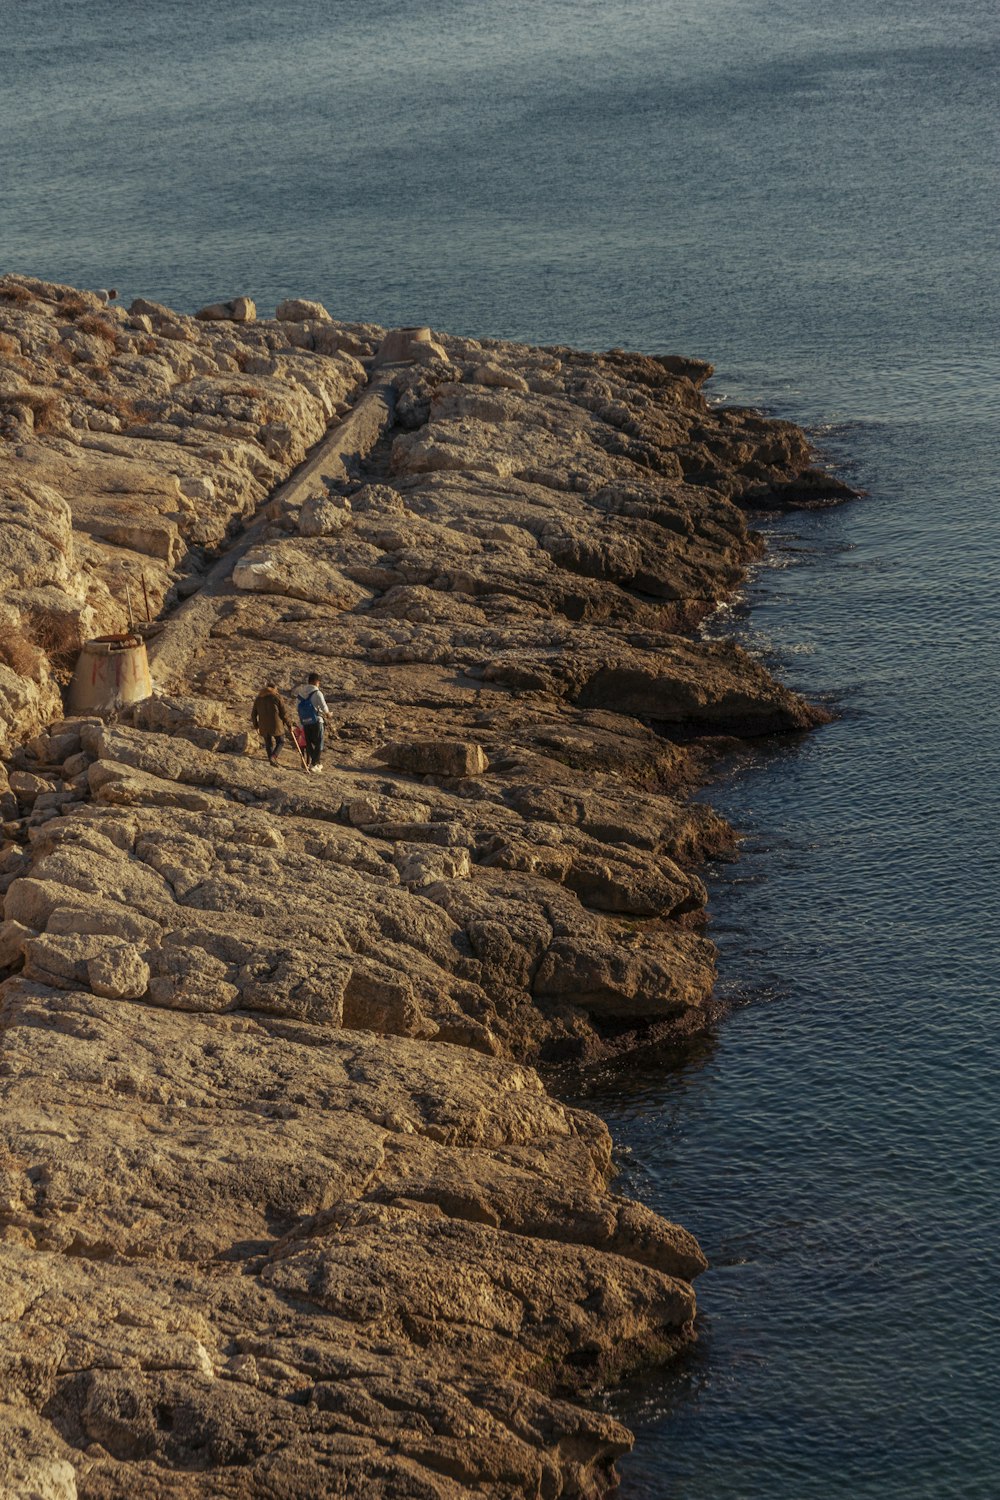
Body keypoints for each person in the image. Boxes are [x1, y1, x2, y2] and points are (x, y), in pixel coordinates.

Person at [294, 671, 329, 772]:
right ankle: (314, 764)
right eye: (319, 682)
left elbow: (297, 707)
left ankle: (315, 763)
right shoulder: (317, 693)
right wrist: (328, 714)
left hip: (305, 721)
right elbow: (324, 706)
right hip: (317, 720)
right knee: (319, 743)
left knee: (309, 743)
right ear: (316, 682)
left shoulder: (301, 693)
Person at [251, 682, 292, 764]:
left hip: (263, 725)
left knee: (268, 743)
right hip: (276, 725)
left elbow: (253, 714)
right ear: (274, 689)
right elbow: (284, 713)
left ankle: (271, 759)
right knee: (280, 741)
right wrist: (289, 725)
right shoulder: (276, 697)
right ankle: (273, 757)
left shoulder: (259, 699)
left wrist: (256, 726)